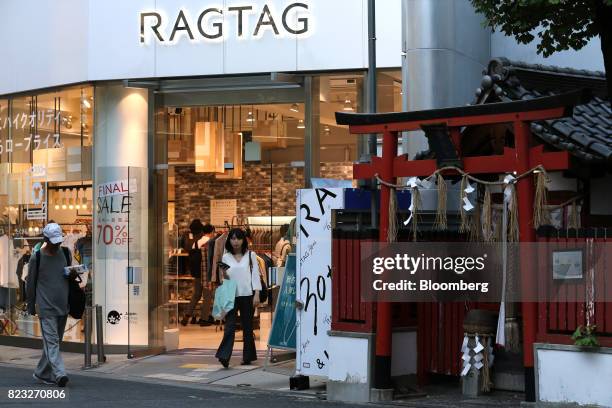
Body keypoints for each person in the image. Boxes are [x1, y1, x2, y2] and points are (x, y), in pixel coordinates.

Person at [26, 223, 70, 387]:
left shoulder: (66, 252)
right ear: (46, 239)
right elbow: (30, 284)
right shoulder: (36, 257)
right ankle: (60, 374)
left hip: (63, 305)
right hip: (46, 307)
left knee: (53, 342)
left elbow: (68, 275)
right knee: (52, 342)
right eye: (54, 241)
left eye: (58, 240)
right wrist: (31, 306)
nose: (57, 244)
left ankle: (40, 373)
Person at [215, 228, 261, 368]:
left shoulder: (251, 255)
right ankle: (224, 356)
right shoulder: (226, 257)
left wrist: (257, 294)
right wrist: (224, 274)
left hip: (247, 295)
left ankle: (248, 356)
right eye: (233, 238)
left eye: (238, 238)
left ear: (243, 240)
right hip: (231, 295)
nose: (235, 241)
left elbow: (255, 275)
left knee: (247, 327)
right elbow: (225, 279)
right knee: (229, 327)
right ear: (229, 240)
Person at [181, 220, 216, 326]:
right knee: (207, 296)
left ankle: (186, 316)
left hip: (196, 272)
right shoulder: (209, 241)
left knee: (196, 295)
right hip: (205, 272)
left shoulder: (195, 242)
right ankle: (204, 319)